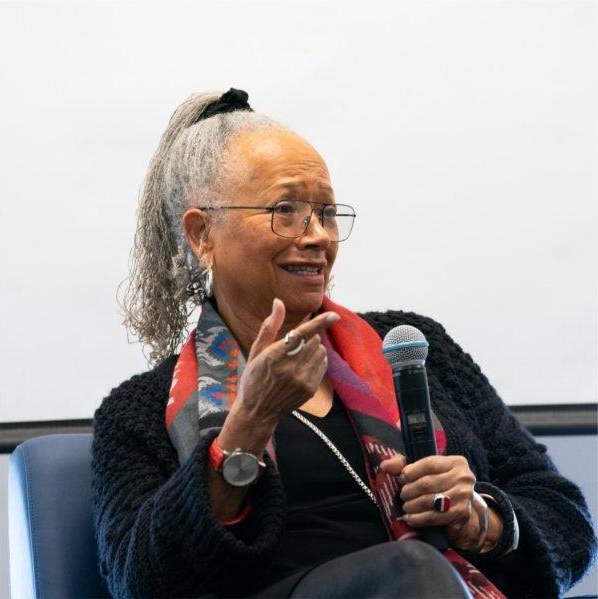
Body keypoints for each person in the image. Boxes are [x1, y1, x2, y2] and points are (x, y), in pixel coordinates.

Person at [91, 88, 596, 599]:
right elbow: (140, 582)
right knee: (414, 571)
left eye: (327, 214)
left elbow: (565, 517)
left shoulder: (412, 348)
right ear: (203, 235)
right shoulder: (137, 414)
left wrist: (482, 519)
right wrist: (247, 427)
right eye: (285, 210)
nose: (317, 236)